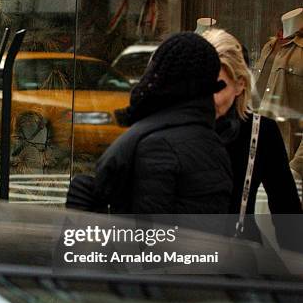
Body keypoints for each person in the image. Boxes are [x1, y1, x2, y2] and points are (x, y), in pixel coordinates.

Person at [67, 32, 232, 214]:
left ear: (165, 76)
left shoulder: (158, 145)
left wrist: (83, 205)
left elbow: (149, 236)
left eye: (154, 67)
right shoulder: (211, 139)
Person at [203, 28, 302, 243]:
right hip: (176, 262)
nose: (206, 98)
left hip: (235, 258)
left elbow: (287, 215)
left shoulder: (260, 132)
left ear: (240, 85)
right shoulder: (173, 126)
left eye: (217, 87)